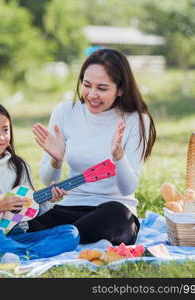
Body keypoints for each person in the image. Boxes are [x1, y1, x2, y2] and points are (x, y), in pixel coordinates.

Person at [28, 48, 157, 245]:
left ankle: (58, 238)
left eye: (102, 88)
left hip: (112, 211)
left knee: (118, 217)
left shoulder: (137, 120)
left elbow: (127, 188)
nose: (92, 95)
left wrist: (119, 157)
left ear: (120, 89)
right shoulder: (64, 112)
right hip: (71, 207)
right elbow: (48, 180)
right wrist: (57, 159)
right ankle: (65, 237)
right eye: (87, 85)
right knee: (26, 225)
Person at [0, 100, 79, 260]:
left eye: (5, 130)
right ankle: (26, 252)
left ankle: (22, 254)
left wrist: (50, 199)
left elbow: (30, 209)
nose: (0, 137)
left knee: (70, 233)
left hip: (21, 235)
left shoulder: (20, 166)